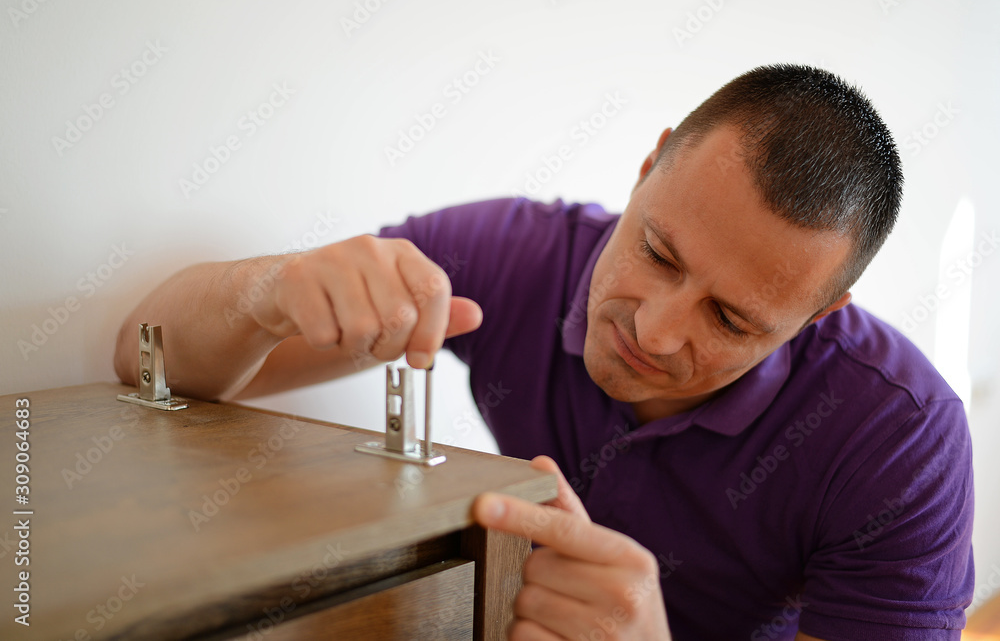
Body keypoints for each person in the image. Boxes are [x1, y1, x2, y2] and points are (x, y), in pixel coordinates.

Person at [114, 64, 975, 639]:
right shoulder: (511, 257)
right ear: (644, 173)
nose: (656, 331)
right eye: (659, 254)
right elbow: (145, 364)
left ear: (821, 314)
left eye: (733, 321)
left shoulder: (901, 439)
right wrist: (266, 295)